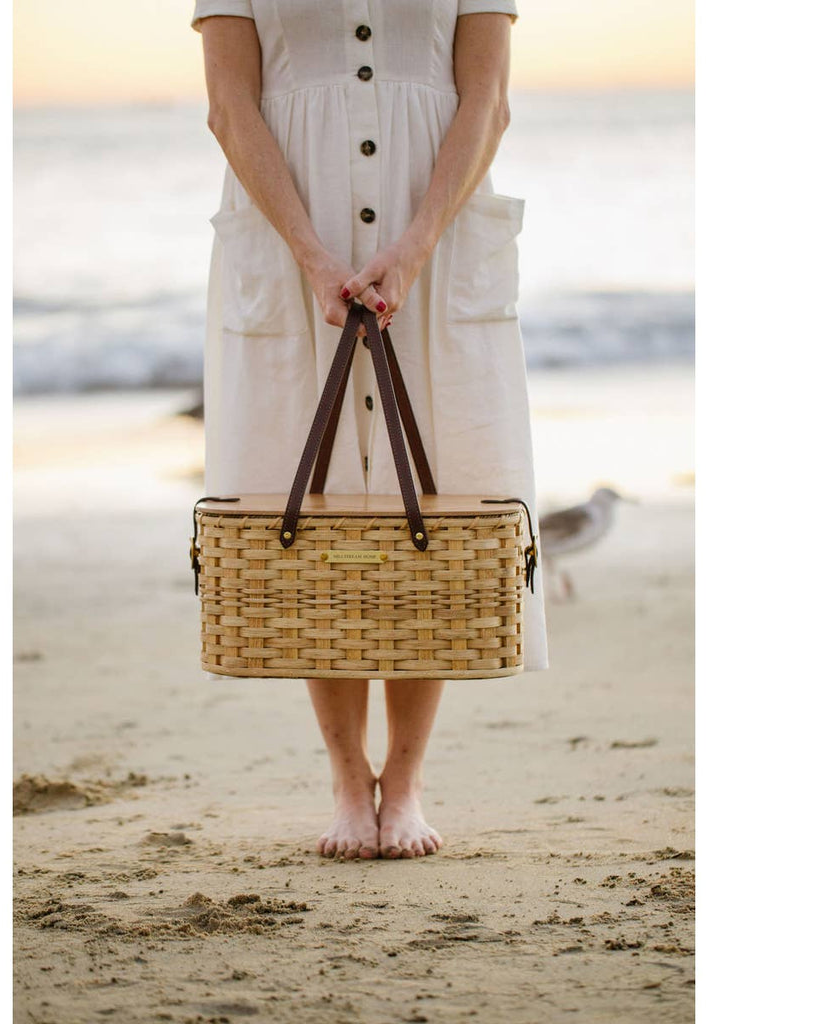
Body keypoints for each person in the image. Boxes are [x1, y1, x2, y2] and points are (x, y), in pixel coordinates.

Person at [191, 0, 549, 860]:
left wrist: (418, 244)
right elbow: (231, 106)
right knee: (312, 508)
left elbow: (486, 100)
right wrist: (312, 253)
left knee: (431, 501)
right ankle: (351, 783)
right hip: (288, 241)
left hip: (439, 231)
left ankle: (409, 781)